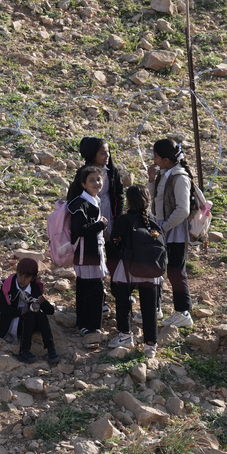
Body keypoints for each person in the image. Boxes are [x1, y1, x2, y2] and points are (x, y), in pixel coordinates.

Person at [107, 186, 163, 357]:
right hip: (150, 269)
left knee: (123, 301)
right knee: (149, 307)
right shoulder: (152, 219)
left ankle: (125, 335)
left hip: (128, 267)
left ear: (129, 201)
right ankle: (150, 345)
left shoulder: (123, 220)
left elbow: (114, 243)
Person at [147, 138, 194, 328]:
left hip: (173, 231)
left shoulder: (179, 177)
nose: (154, 159)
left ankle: (183, 311)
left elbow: (183, 210)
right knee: (157, 268)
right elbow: (156, 199)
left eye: (156, 156)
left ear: (166, 159)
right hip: (162, 227)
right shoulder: (165, 173)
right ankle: (156, 307)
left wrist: (164, 227)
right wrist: (151, 180)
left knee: (176, 271)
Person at [66, 166, 109, 335]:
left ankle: (83, 323)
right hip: (87, 254)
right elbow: (80, 229)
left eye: (98, 179)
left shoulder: (92, 201)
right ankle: (91, 327)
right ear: (83, 184)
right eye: (91, 180)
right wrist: (101, 225)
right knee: (94, 290)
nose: (96, 183)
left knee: (85, 288)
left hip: (91, 252)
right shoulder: (81, 204)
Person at [0, 258, 61, 364]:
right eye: (20, 275)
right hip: (11, 323)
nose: (22, 279)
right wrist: (19, 312)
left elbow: (50, 311)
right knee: (29, 315)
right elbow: (0, 307)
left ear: (33, 278)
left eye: (27, 277)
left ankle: (51, 350)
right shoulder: (7, 286)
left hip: (28, 324)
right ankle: (24, 351)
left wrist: (43, 302)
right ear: (16, 273)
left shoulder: (34, 287)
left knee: (40, 315)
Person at [71, 137, 125, 235]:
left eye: (108, 152)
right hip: (90, 216)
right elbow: (74, 198)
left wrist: (118, 218)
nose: (107, 156)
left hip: (108, 212)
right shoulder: (83, 174)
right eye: (102, 153)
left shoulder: (111, 171)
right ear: (93, 155)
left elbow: (119, 194)